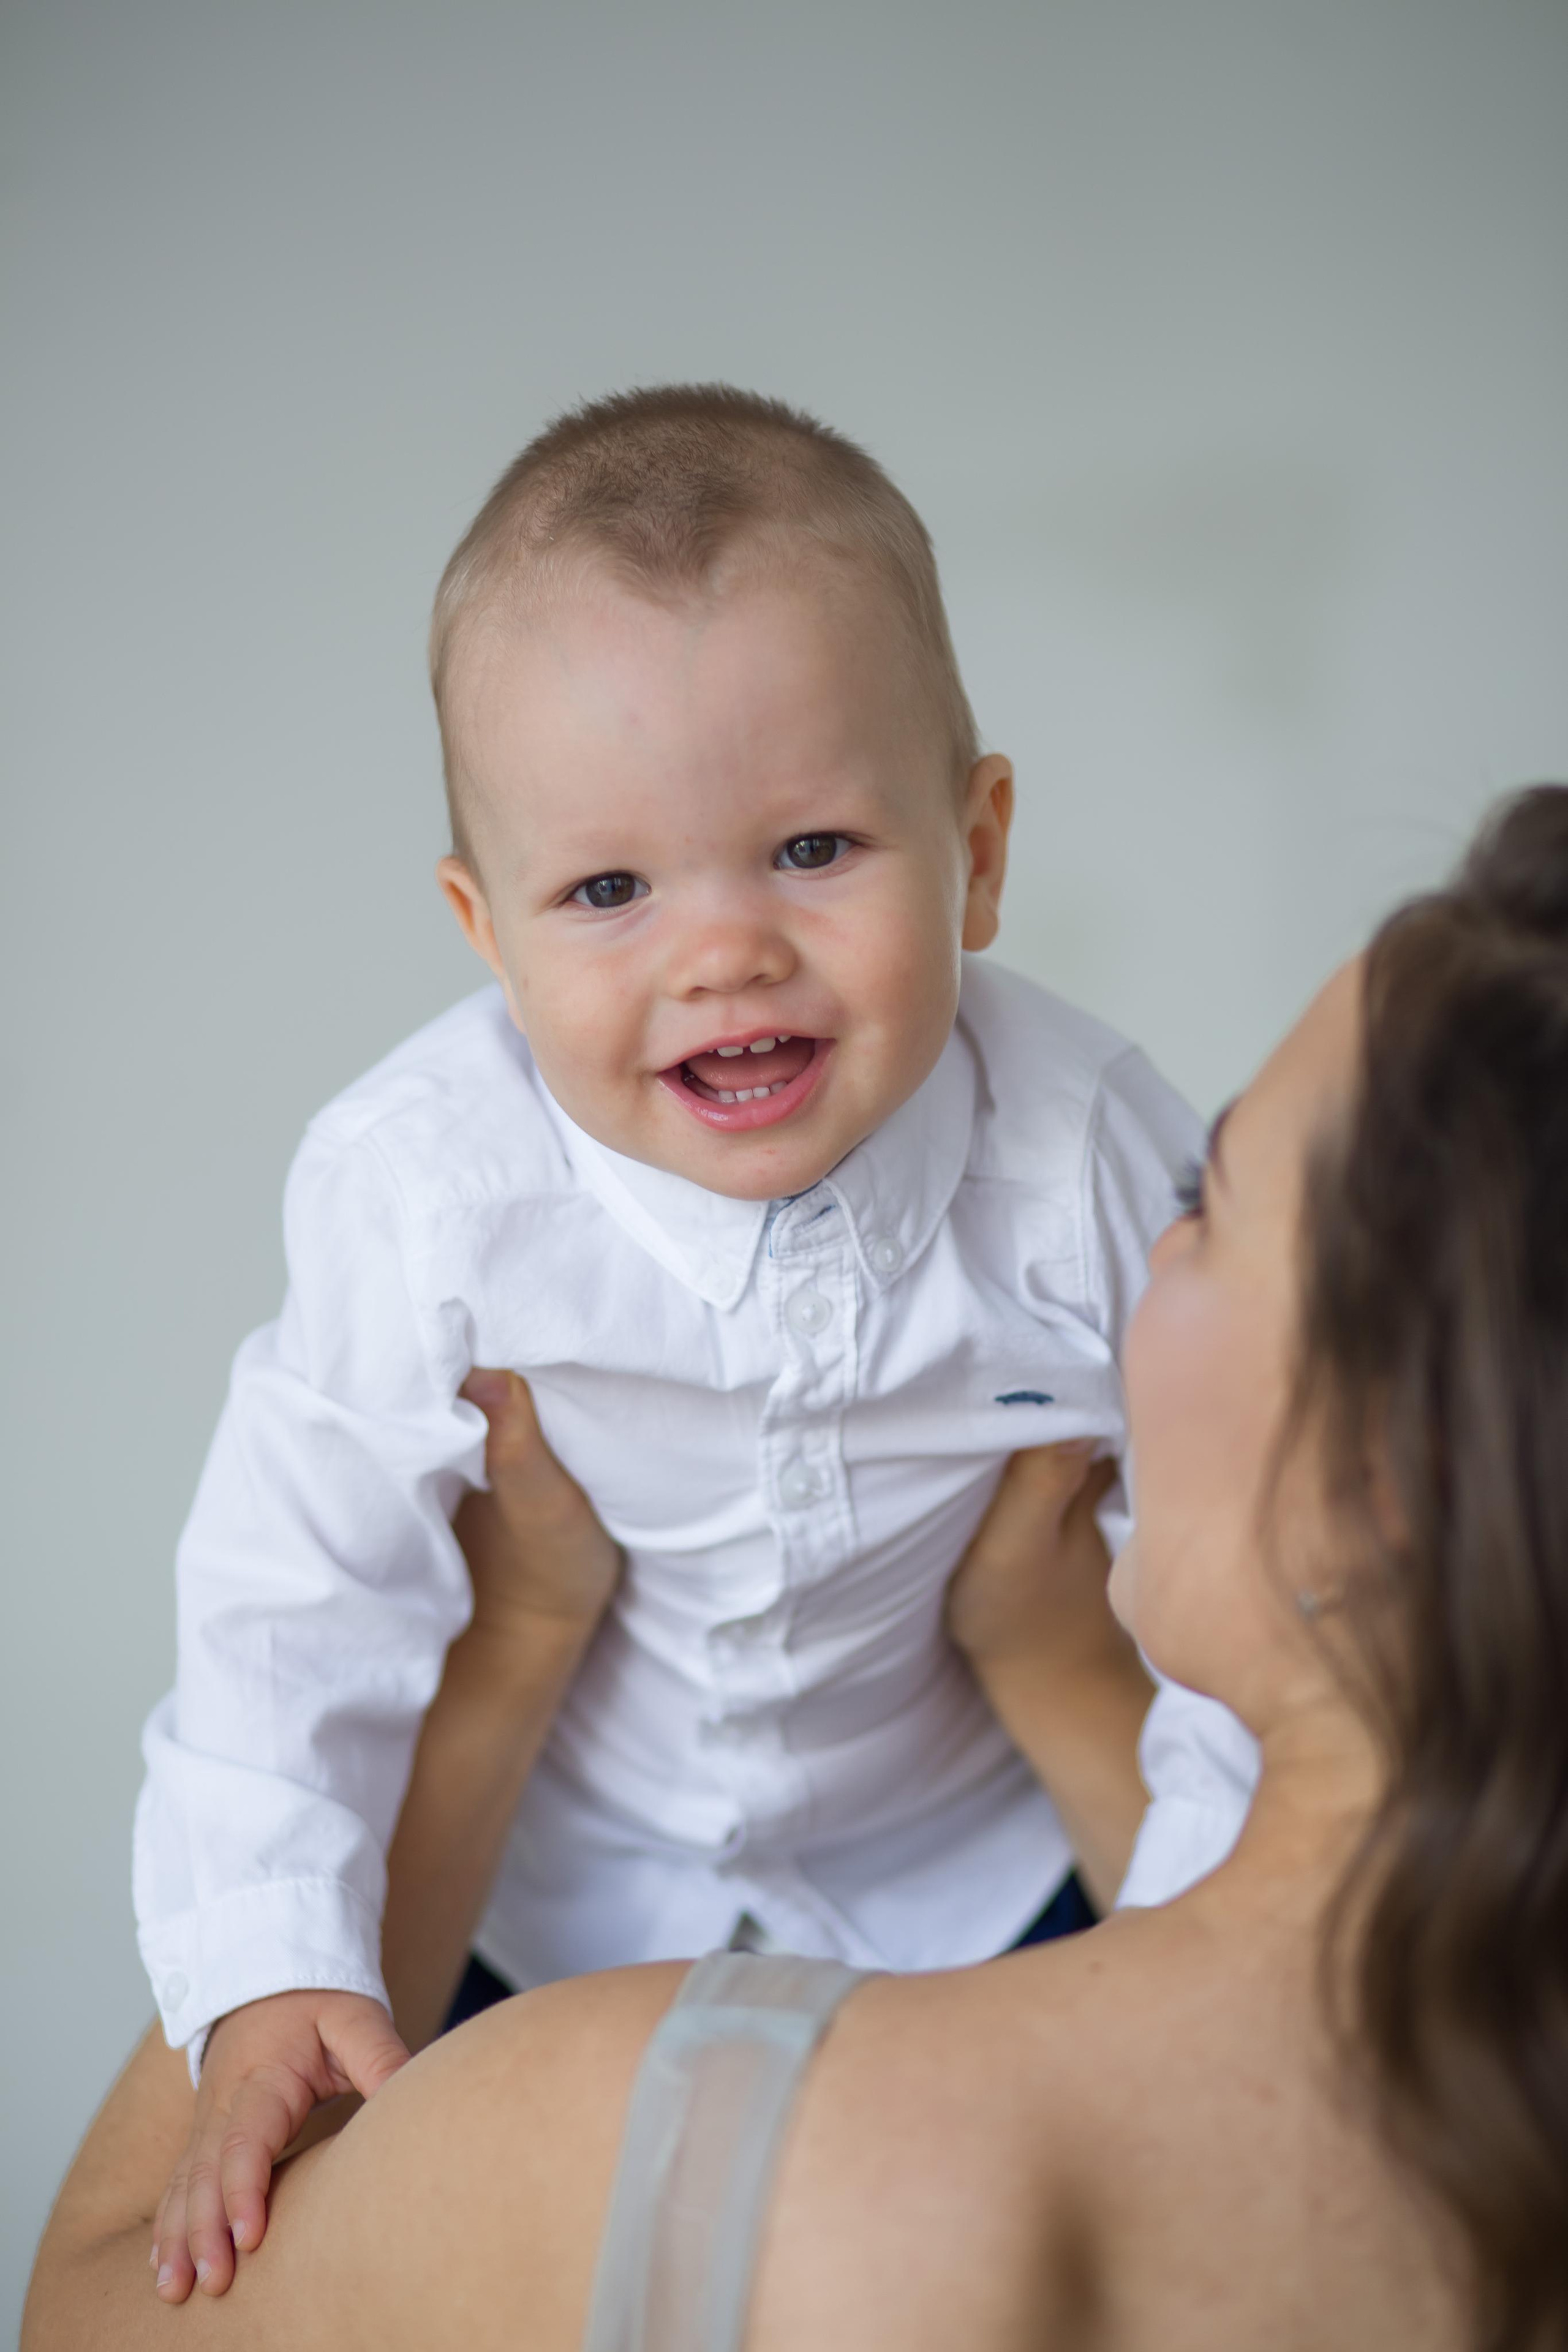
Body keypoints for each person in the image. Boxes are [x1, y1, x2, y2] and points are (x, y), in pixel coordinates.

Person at [28, 788, 1568, 2349]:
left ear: (1383, 1472)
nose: (1138, 1261)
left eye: (1205, 1206)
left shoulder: (636, 2121)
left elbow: (89, 2314)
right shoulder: (1506, 2173)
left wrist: (503, 1655)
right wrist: (1041, 1657)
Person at [131, 383, 1256, 2294]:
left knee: (1040, 2277)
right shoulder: (426, 1195)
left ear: (977, 847)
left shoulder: (1084, 1162)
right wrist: (275, 1972)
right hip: (561, 1898)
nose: (722, 949)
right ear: (484, 934)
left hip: (986, 1879)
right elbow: (289, 1598)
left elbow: (1258, 1579)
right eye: (610, 890)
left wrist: (1192, 1945)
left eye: (813, 849)